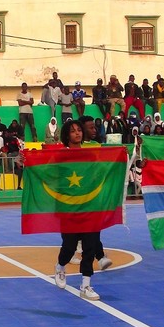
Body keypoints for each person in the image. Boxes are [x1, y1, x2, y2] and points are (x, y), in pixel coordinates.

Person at [51, 118, 102, 301]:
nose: (77, 133)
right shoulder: (60, 156)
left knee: (90, 247)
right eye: (73, 131)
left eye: (79, 130)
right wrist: (25, 160)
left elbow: (98, 175)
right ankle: (60, 266)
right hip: (68, 208)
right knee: (69, 247)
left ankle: (85, 285)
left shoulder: (90, 155)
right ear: (67, 135)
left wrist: (125, 156)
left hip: (89, 207)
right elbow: (46, 172)